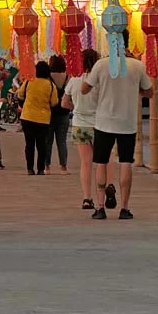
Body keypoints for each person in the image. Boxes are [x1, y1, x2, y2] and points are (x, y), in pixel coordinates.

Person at [82, 30, 153, 220]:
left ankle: (99, 207)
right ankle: (124, 208)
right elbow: (149, 92)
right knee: (125, 163)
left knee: (101, 163)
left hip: (103, 122)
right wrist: (134, 88)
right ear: (126, 42)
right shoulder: (137, 66)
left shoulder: (101, 64)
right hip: (127, 123)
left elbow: (84, 89)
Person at [62, 49, 106, 210]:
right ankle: (105, 190)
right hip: (100, 125)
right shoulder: (100, 80)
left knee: (85, 163)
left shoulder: (74, 80)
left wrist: (77, 108)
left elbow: (64, 103)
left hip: (80, 124)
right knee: (102, 162)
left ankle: (87, 197)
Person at [16, 61, 59, 175]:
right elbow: (54, 102)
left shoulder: (29, 81)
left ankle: (30, 168)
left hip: (27, 117)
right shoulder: (50, 85)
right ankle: (40, 169)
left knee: (29, 144)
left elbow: (20, 94)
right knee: (42, 145)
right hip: (43, 119)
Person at [45, 54, 71, 174]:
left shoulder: (47, 77)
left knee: (48, 141)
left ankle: (47, 167)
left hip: (49, 112)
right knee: (62, 141)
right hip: (64, 113)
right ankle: (63, 167)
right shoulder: (68, 77)